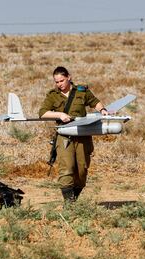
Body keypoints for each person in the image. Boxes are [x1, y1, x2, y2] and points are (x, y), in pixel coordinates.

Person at [38, 66, 108, 202]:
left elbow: (95, 102)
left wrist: (103, 110)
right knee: (66, 168)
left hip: (83, 136)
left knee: (82, 170)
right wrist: (59, 114)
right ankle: (69, 203)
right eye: (56, 82)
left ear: (69, 77)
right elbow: (42, 113)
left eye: (62, 81)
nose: (59, 84)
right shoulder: (53, 95)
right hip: (64, 136)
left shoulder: (81, 91)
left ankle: (74, 199)